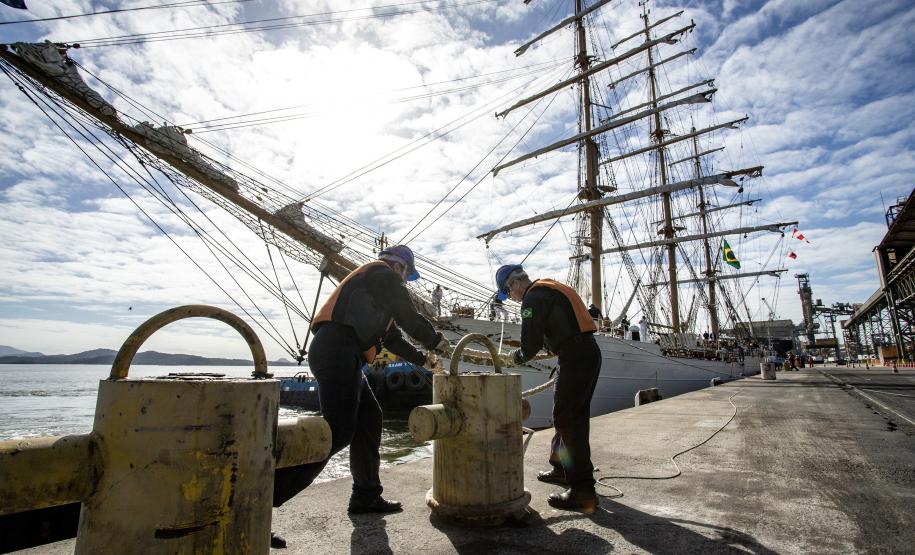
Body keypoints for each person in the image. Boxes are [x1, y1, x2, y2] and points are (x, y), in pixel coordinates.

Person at [271, 245, 448, 548]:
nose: (405, 281)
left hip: (345, 354)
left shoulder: (378, 295)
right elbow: (409, 315)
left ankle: (366, 496)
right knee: (339, 430)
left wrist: (423, 359)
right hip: (337, 349)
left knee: (369, 419)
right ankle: (265, 497)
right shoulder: (383, 274)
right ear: (401, 267)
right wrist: (436, 340)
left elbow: (393, 338)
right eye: (407, 274)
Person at [495, 264, 601, 513]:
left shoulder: (532, 298)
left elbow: (529, 346)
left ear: (514, 284)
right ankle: (562, 469)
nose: (511, 297)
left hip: (575, 357)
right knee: (570, 417)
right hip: (585, 353)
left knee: (567, 420)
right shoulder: (548, 289)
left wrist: (516, 357)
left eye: (508, 293)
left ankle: (582, 490)